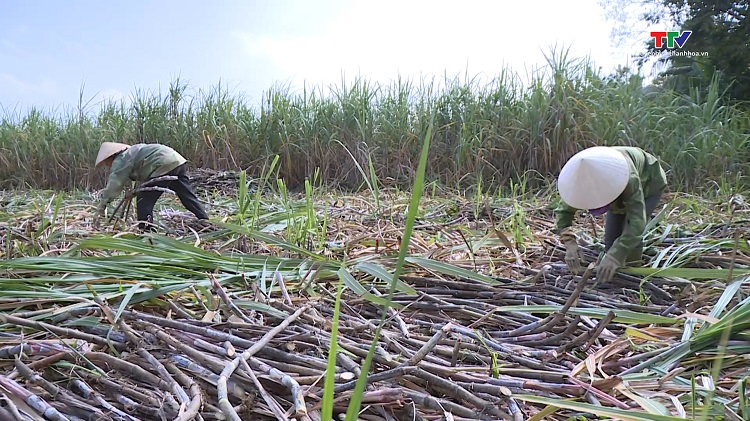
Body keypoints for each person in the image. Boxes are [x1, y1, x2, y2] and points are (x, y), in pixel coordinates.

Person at [553, 146, 667, 283]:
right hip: (616, 189)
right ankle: (613, 276)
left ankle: (633, 278)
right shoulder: (578, 184)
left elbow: (637, 222)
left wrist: (616, 255)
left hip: (649, 182)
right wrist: (570, 243)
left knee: (629, 244)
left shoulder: (628, 179)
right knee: (610, 244)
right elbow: (563, 214)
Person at [93, 142, 209, 230]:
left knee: (143, 201)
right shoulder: (133, 152)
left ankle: (147, 232)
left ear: (110, 157)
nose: (107, 166)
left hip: (162, 164)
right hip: (176, 161)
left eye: (106, 163)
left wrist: (102, 206)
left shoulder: (121, 159)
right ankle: (205, 220)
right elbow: (144, 175)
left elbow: (115, 184)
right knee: (187, 195)